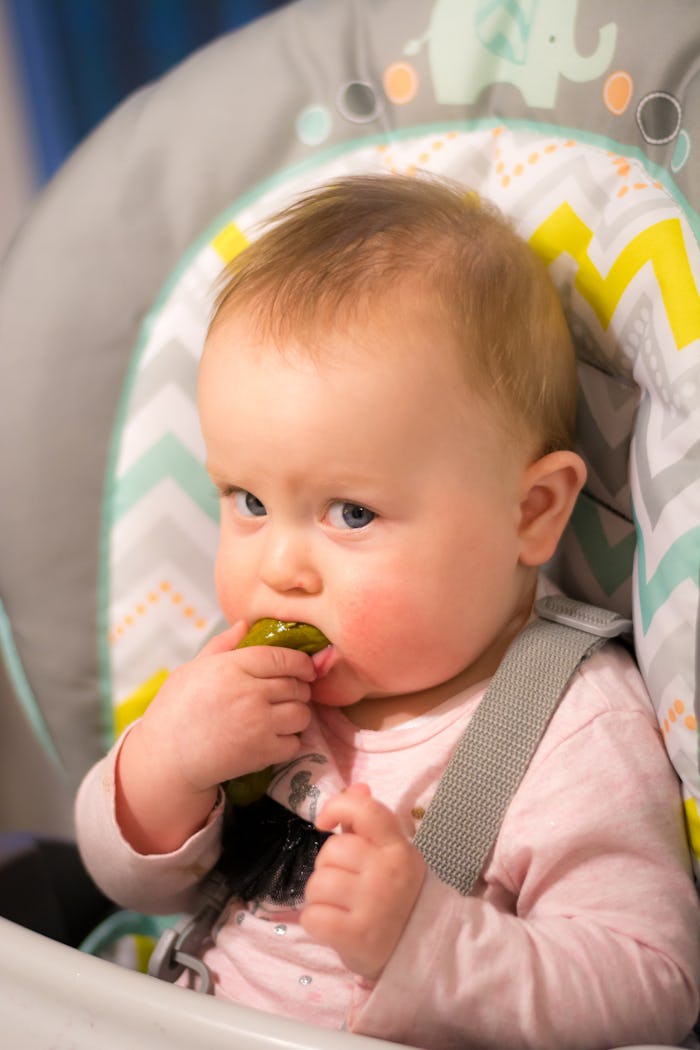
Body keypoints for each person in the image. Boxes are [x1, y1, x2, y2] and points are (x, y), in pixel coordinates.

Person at [75, 173, 700, 1049]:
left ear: (531, 513)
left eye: (352, 513)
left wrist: (427, 938)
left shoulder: (572, 728)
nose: (279, 569)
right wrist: (168, 766)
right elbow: (134, 888)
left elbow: (653, 984)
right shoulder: (237, 680)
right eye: (247, 500)